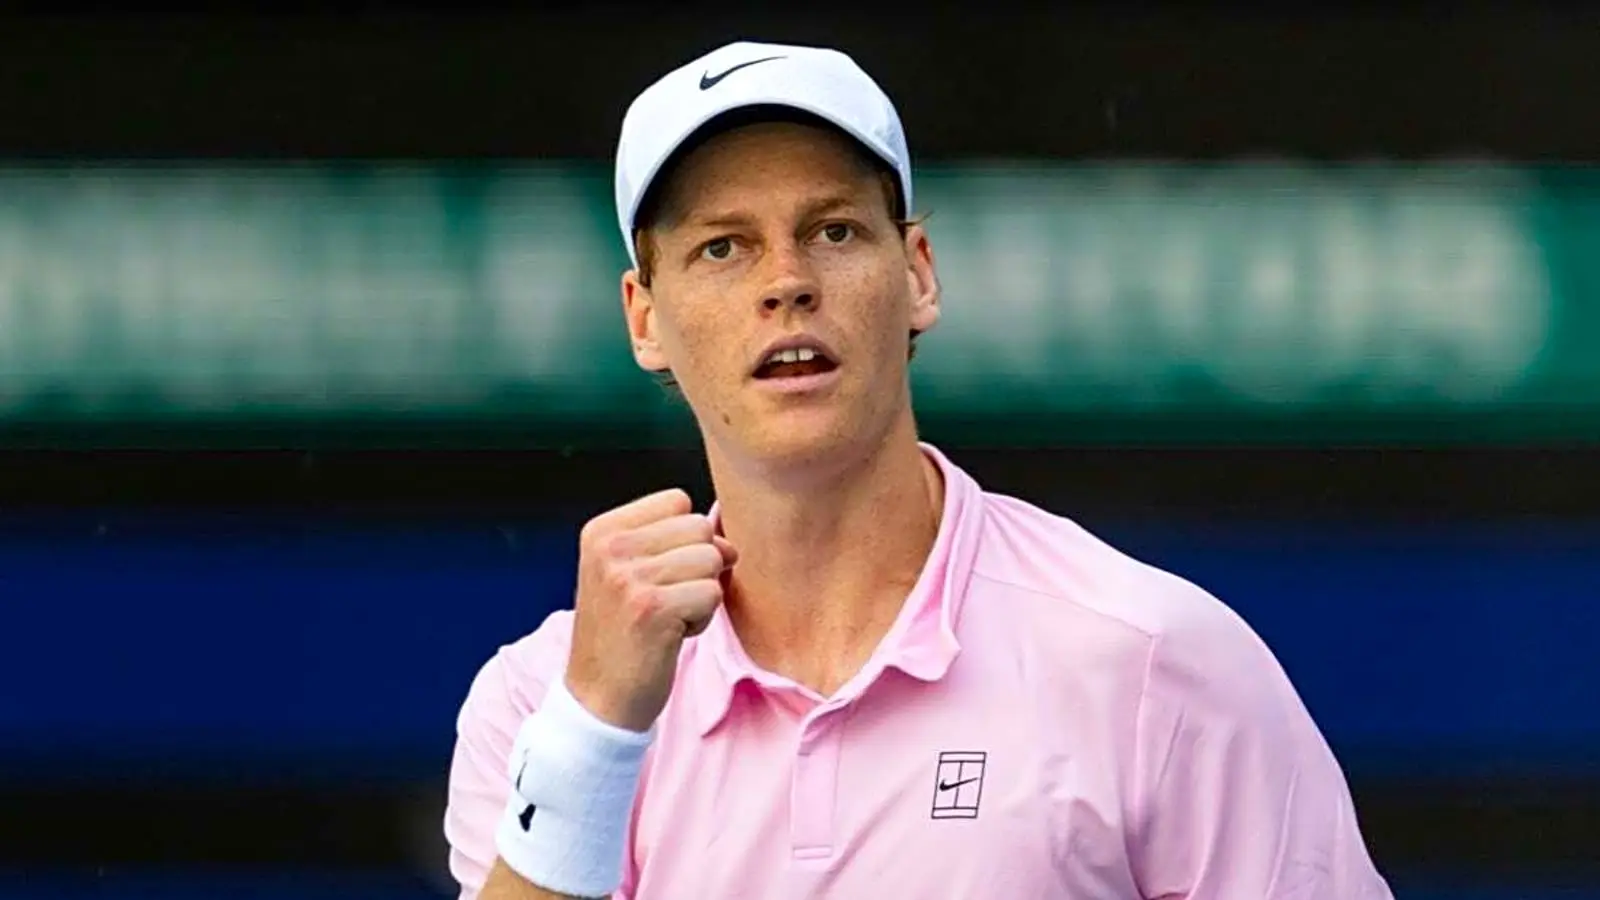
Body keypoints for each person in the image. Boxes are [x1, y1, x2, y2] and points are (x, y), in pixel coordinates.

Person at [442, 40, 1394, 899]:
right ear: (645, 319)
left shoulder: (1153, 659)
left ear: (918, 274)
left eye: (834, 231)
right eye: (722, 247)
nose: (787, 282)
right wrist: (597, 732)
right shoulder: (542, 705)